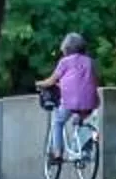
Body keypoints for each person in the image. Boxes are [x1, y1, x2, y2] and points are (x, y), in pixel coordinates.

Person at [37, 33, 100, 163]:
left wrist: (39, 83)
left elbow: (51, 81)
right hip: (90, 101)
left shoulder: (64, 62)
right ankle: (84, 150)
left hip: (70, 101)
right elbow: (92, 80)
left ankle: (57, 154)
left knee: (58, 122)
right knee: (83, 121)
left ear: (66, 48)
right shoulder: (90, 61)